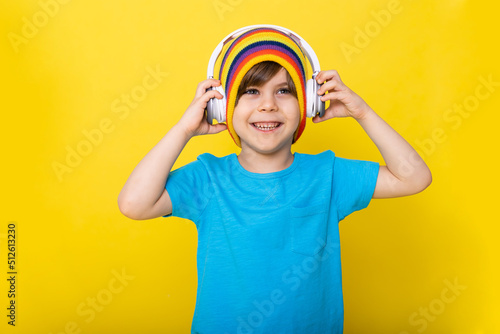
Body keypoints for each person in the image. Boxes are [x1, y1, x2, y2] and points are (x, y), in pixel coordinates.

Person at [118, 27, 432, 333]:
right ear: (222, 106)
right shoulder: (207, 178)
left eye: (283, 91)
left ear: (309, 103)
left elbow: (414, 177)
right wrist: (183, 130)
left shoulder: (328, 175)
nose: (268, 104)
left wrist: (362, 112)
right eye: (251, 91)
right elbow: (134, 203)